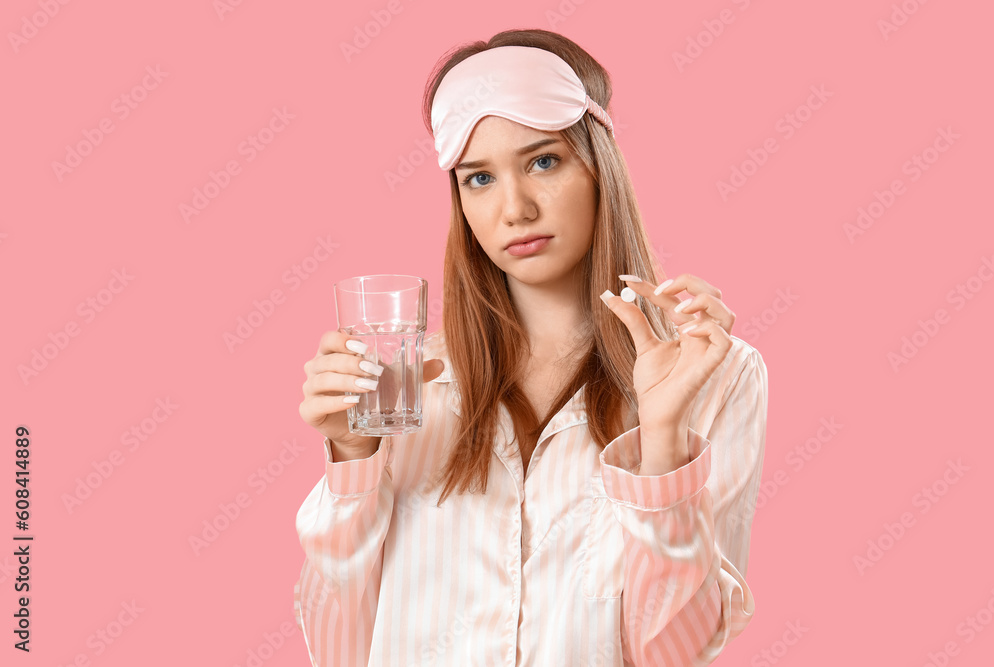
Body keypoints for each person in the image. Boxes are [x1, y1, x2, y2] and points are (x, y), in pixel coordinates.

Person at [293, 28, 768, 667]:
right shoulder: (402, 390)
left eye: (543, 161)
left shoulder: (714, 374)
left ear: (599, 164)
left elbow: (672, 653)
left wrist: (662, 445)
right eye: (479, 178)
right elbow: (339, 651)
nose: (513, 208)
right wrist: (352, 461)